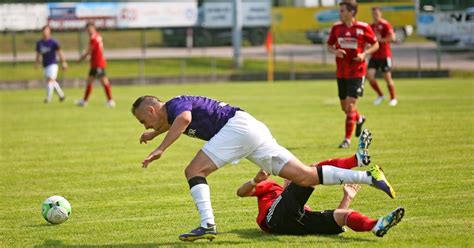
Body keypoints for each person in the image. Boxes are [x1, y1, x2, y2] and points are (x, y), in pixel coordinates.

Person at [131, 95, 396, 242]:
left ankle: (207, 224)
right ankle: (368, 175)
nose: (145, 126)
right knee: (304, 176)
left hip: (236, 129)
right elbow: (174, 122)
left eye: (144, 121)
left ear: (153, 110)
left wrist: (161, 148)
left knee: (194, 171)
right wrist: (155, 135)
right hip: (252, 128)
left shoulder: (176, 105)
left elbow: (184, 119)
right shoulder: (171, 111)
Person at [236, 132, 404, 237]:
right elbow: (241, 193)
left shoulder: (300, 205)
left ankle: (375, 225)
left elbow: (339, 217)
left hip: (293, 225)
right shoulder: (272, 188)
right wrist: (255, 180)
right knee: (313, 170)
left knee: (342, 216)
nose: (294, 176)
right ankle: (356, 160)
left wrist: (347, 197)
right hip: (274, 220)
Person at [326, 0, 379, 149]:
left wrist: (364, 54)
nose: (340, 13)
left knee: (350, 106)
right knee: (345, 108)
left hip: (357, 72)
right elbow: (329, 46)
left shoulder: (363, 27)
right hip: (341, 72)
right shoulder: (336, 28)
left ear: (351, 12)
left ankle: (346, 140)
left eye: (342, 10)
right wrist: (335, 51)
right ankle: (359, 118)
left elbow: (376, 44)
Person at [76, 22, 115, 108]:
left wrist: (80, 59)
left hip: (97, 63)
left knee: (104, 81)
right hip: (96, 63)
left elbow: (89, 51)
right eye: (88, 30)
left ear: (94, 28)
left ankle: (110, 101)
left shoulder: (93, 38)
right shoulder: (98, 36)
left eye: (90, 29)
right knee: (90, 81)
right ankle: (85, 101)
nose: (89, 31)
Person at [367, 7, 398, 106]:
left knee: (387, 77)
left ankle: (393, 98)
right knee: (369, 76)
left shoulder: (385, 24)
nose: (375, 16)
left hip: (384, 55)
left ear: (380, 14)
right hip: (374, 55)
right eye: (373, 14)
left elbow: (392, 37)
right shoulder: (370, 26)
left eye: (376, 13)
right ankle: (380, 95)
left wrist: (380, 40)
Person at [35, 25, 67, 103]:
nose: (45, 32)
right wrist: (37, 63)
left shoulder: (53, 42)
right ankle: (61, 95)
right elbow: (38, 54)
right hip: (45, 65)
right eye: (43, 30)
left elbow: (60, 52)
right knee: (51, 82)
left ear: (49, 31)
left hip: (53, 64)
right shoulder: (40, 43)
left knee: (50, 80)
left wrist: (64, 62)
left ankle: (48, 98)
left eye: (46, 30)